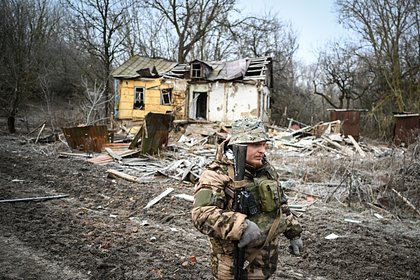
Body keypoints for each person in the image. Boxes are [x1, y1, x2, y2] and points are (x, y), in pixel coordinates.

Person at [191, 118, 303, 280]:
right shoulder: (216, 174)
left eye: (264, 144)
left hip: (265, 262)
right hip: (233, 264)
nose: (262, 150)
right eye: (256, 144)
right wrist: (241, 226)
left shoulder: (266, 170)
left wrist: (294, 233)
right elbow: (201, 214)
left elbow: (281, 204)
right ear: (238, 145)